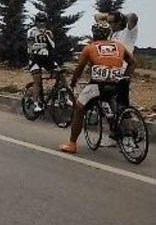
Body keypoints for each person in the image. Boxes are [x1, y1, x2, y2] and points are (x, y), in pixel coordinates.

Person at [60, 22, 136, 154]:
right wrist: (125, 77)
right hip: (118, 84)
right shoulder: (119, 45)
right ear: (108, 34)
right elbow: (133, 62)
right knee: (121, 108)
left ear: (94, 33)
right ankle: (127, 136)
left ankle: (72, 144)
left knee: (79, 108)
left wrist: (72, 82)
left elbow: (79, 69)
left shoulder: (90, 48)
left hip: (97, 84)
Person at [26, 12, 60, 113]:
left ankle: (65, 97)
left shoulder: (48, 32)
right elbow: (31, 46)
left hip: (46, 58)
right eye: (39, 21)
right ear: (36, 21)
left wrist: (47, 37)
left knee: (60, 74)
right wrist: (41, 46)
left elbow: (53, 46)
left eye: (44, 21)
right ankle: (35, 103)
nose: (42, 23)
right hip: (35, 58)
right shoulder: (31, 31)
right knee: (37, 80)